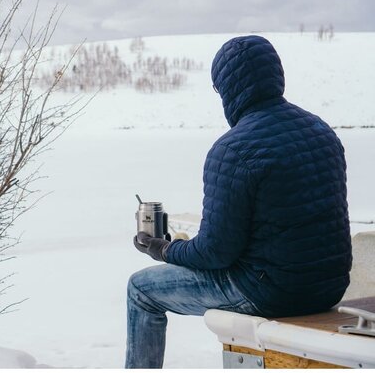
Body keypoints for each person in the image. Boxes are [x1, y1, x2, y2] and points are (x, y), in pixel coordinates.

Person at [126, 35, 352, 369]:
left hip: (272, 292)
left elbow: (216, 253)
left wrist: (162, 249)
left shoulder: (233, 150)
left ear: (228, 88)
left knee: (140, 291)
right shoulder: (321, 132)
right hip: (328, 286)